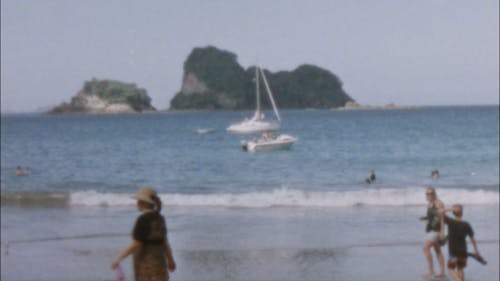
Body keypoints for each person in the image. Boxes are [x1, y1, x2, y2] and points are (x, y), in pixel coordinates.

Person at [111, 187, 176, 281]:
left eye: (138, 201)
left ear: (142, 203)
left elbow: (136, 244)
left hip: (146, 266)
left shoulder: (143, 220)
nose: (136, 203)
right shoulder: (160, 218)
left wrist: (118, 258)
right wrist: (170, 260)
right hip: (160, 264)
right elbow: (165, 242)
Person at [440, 204, 483, 281]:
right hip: (463, 252)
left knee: (450, 268)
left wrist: (450, 209)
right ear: (462, 213)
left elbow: (440, 212)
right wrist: (476, 250)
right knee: (460, 268)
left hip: (453, 251)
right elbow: (473, 239)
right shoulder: (466, 224)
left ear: (453, 213)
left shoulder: (450, 222)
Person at [419, 187, 446, 278]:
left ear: (434, 194)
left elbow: (442, 218)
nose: (429, 195)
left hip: (437, 231)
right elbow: (432, 216)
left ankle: (431, 270)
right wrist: (425, 218)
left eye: (431, 193)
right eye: (427, 194)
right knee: (437, 250)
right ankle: (442, 272)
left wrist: (442, 232)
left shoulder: (439, 203)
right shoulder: (429, 204)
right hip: (431, 229)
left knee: (425, 247)